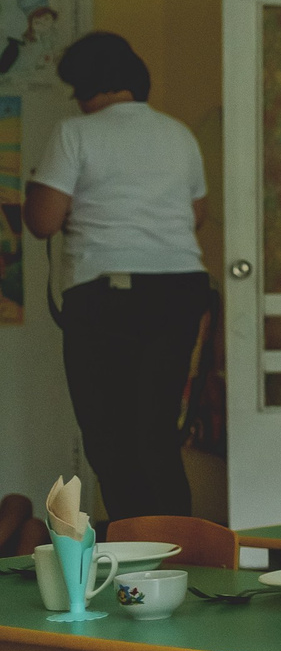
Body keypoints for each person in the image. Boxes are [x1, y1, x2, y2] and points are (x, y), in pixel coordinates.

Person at [24, 32, 211, 524]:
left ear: (87, 86)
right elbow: (196, 214)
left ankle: (135, 555)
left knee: (110, 438)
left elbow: (42, 221)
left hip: (109, 297)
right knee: (155, 432)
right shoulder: (178, 134)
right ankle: (179, 555)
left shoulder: (74, 134)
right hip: (180, 291)